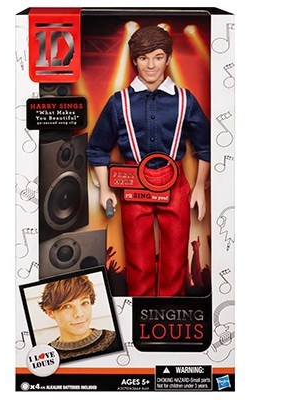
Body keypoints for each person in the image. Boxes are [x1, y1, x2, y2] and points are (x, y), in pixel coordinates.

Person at [87, 26, 210, 296]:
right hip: (134, 182)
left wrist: (200, 186)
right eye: (144, 58)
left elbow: (206, 146)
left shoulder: (185, 100)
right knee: (138, 256)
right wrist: (106, 189)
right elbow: (97, 148)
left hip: (174, 181)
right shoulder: (119, 102)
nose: (151, 65)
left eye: (158, 57)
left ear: (168, 59)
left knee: (176, 254)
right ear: (134, 60)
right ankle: (139, 308)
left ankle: (171, 307)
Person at [39, 275, 119, 361]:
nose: (79, 314)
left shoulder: (117, 340)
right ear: (50, 313)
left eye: (84, 303)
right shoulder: (47, 357)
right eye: (67, 306)